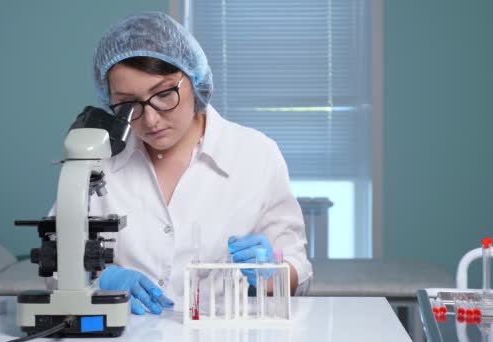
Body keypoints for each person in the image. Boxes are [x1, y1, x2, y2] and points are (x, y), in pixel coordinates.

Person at [50, 11, 311, 315]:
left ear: (194, 78)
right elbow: (53, 258)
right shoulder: (97, 161)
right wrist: (101, 279)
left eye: (163, 94)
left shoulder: (256, 155)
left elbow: (300, 273)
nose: (150, 118)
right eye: (127, 104)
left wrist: (272, 271)